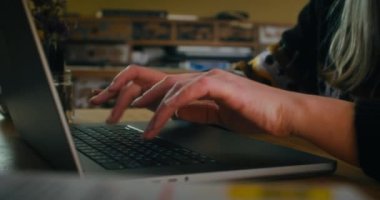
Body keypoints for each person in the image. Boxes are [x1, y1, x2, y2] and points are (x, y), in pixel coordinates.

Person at [90, 0, 380, 181]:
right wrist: (192, 87)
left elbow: (280, 103)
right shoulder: (331, 7)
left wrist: (290, 111)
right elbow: (268, 77)